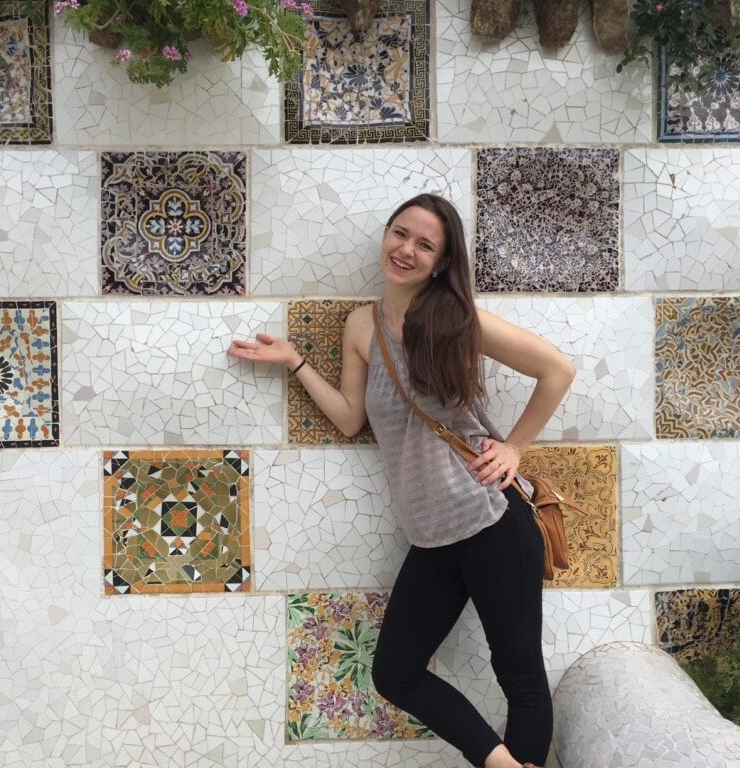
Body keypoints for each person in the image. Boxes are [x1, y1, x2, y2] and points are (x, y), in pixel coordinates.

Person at [228, 193, 576, 768]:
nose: (406, 249)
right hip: (430, 534)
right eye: (400, 233)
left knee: (520, 676)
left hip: (490, 518)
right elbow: (349, 418)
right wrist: (294, 362)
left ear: (442, 261)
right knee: (395, 672)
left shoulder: (457, 321)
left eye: (425, 244)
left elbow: (557, 370)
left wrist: (515, 445)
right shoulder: (361, 325)